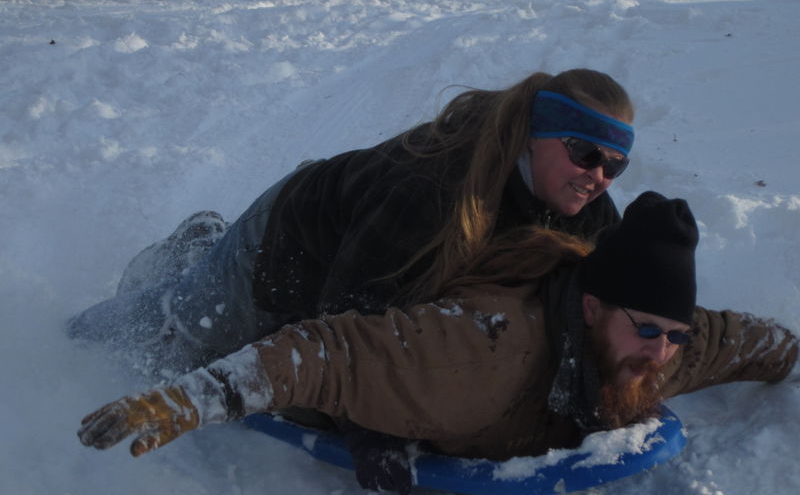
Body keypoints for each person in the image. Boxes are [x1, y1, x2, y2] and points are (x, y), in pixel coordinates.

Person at [68, 68, 635, 492]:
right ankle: (78, 328)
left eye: (615, 165)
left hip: (356, 252)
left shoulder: (584, 209)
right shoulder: (431, 192)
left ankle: (203, 243)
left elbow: (613, 304)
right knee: (179, 328)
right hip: (283, 253)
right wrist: (377, 433)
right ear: (537, 135)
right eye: (585, 153)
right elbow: (349, 315)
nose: (599, 178)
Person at [77, 192, 798, 478]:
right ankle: (189, 253)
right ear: (589, 309)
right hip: (284, 308)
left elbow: (742, 341)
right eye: (647, 329)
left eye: (673, 335)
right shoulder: (486, 353)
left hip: (394, 312)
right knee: (170, 322)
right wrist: (192, 397)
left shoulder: (656, 346)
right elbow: (331, 355)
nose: (661, 352)